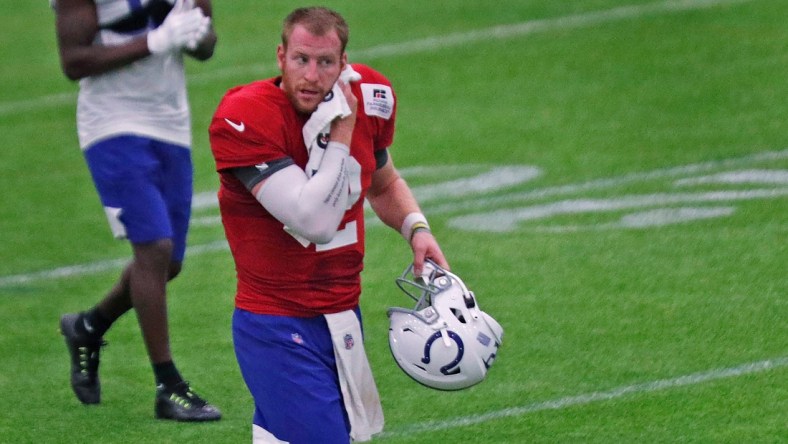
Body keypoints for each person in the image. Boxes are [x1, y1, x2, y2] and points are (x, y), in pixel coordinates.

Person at [208, 6, 449, 443]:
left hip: (342, 316)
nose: (312, 75)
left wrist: (417, 227)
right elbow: (314, 221)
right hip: (276, 322)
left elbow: (383, 181)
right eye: (301, 59)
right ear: (280, 57)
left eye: (325, 62)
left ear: (344, 65)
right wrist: (341, 130)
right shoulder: (244, 115)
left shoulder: (370, 94)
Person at [52, 0, 221, 421]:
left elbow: (207, 45)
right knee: (154, 248)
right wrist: (156, 40)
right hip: (112, 122)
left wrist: (193, 31)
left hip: (170, 121)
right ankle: (168, 386)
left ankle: (88, 327)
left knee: (170, 264)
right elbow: (74, 61)